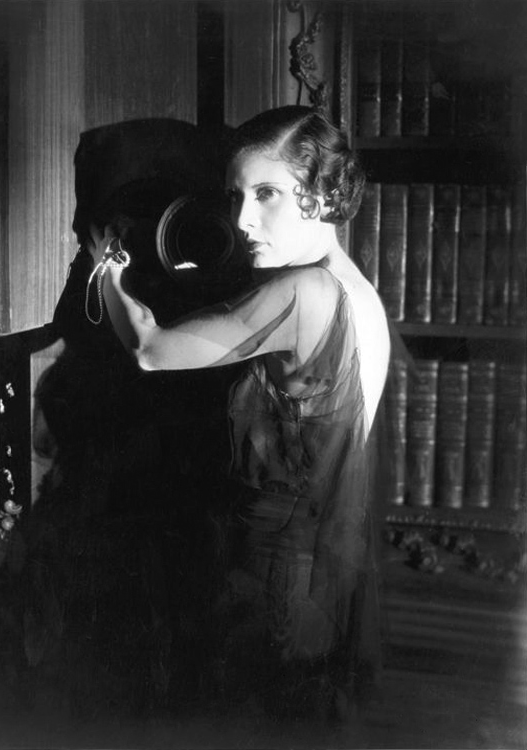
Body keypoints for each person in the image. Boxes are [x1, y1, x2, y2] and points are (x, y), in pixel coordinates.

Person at [86, 105, 391, 722]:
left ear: (321, 195)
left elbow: (149, 351)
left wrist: (108, 268)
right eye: (236, 196)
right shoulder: (355, 288)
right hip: (326, 564)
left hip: (276, 567)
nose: (243, 218)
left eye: (267, 194)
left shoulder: (303, 291)